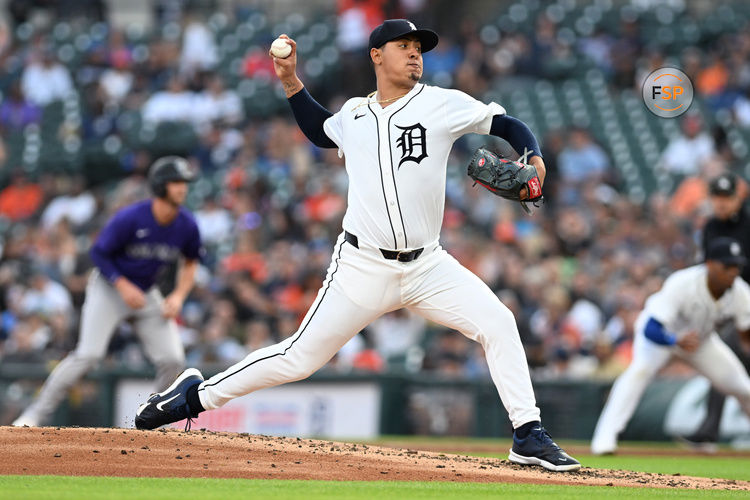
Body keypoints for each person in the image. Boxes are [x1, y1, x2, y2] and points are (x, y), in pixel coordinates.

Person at [134, 19, 580, 472]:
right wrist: (290, 81)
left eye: (418, 48)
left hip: (428, 266)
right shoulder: (354, 114)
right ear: (376, 55)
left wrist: (535, 160)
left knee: (498, 322)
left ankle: (528, 434)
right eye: (403, 46)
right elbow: (318, 129)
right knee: (298, 358)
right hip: (362, 265)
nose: (414, 54)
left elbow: (508, 124)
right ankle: (195, 396)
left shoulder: (441, 104)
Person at [12, 157, 204, 427]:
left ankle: (148, 419)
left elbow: (191, 262)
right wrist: (123, 285)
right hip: (110, 287)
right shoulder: (132, 217)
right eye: (176, 182)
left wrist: (178, 296)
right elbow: (99, 254)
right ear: (161, 185)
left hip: (146, 292)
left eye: (184, 182)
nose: (183, 188)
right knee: (89, 354)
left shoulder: (186, 224)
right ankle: (34, 416)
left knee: (173, 359)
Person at [590, 237, 750, 455]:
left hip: (700, 343)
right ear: (710, 264)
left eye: (737, 266)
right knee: (638, 373)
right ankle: (605, 438)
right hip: (661, 338)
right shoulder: (682, 283)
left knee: (743, 387)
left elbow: (745, 335)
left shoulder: (740, 292)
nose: (733, 271)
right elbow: (651, 329)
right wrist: (675, 340)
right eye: (727, 265)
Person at [679, 173, 750, 451]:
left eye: (726, 198)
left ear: (738, 197)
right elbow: (705, 269)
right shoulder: (710, 226)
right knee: (722, 358)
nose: (721, 204)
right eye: (717, 198)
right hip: (725, 303)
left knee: (729, 355)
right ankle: (708, 429)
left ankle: (709, 429)